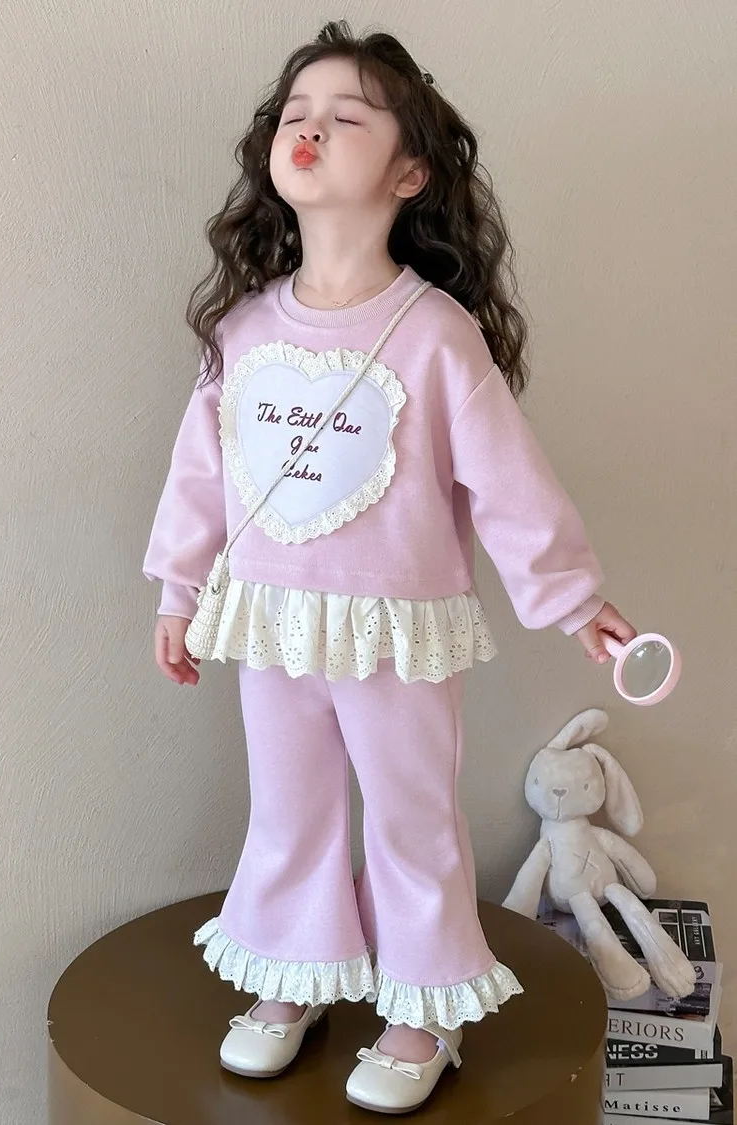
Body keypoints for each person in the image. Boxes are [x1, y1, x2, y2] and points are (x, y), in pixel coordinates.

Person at [143, 20, 635, 1114]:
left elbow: (511, 485)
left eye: (346, 117)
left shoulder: (436, 333)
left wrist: (577, 600)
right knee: (290, 808)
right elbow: (201, 480)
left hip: (398, 631)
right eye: (296, 115)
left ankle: (423, 1005)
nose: (311, 131)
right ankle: (293, 972)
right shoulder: (243, 331)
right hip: (271, 624)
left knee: (410, 818)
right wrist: (180, 591)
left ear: (410, 172)